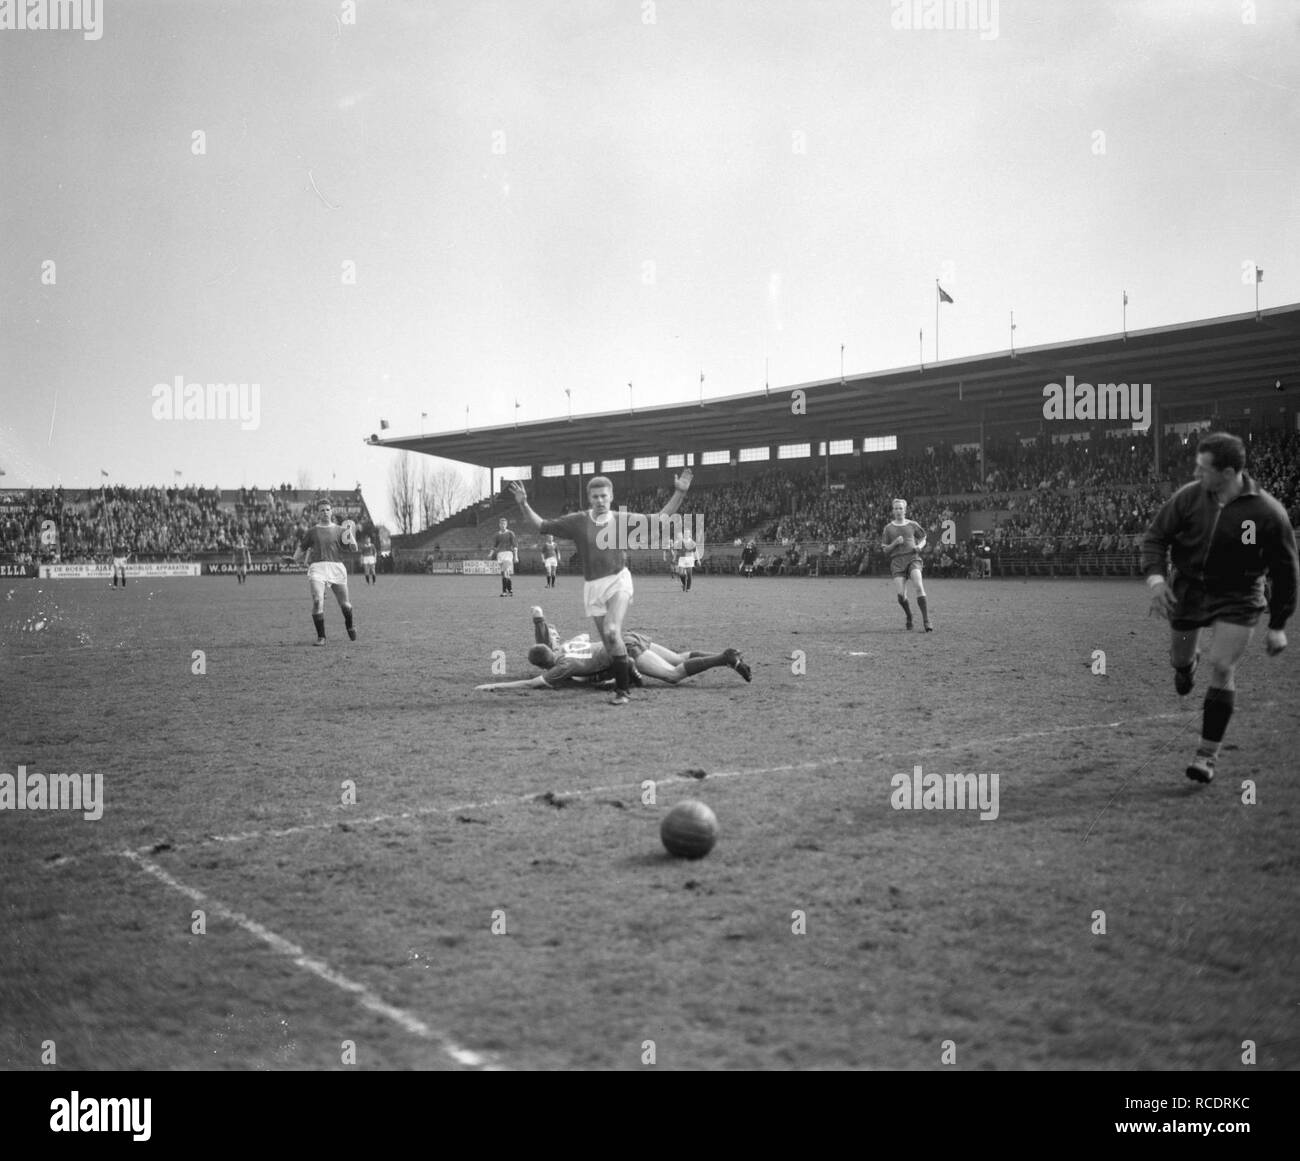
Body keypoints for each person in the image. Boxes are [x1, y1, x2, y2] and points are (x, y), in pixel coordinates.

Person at [1141, 431, 1296, 783]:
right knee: (1181, 659)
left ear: (1228, 473)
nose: (1196, 475)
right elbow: (1156, 537)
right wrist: (1157, 580)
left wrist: (1278, 624)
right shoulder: (1188, 498)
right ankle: (1185, 667)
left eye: (1203, 469)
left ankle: (1206, 755)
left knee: (1223, 665)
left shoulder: (1267, 512)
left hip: (1239, 594)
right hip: (1189, 590)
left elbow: (1286, 569)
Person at [507, 469, 693, 704]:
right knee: (609, 645)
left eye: (604, 496)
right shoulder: (577, 521)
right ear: (589, 499)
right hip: (593, 587)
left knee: (613, 631)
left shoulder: (622, 519)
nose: (600, 501)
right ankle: (627, 675)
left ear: (611, 496)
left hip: (619, 580)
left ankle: (622, 692)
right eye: (595, 497)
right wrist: (523, 503)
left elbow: (661, 518)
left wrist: (679, 493)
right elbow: (541, 525)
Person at [475, 605, 751, 690]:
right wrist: (539, 619)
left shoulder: (561, 665)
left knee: (673, 675)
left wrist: (493, 686)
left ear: (544, 664)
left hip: (625, 650)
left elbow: (530, 683)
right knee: (679, 656)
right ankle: (730, 660)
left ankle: (723, 657)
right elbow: (547, 644)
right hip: (629, 635)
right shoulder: (567, 648)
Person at [294, 498, 358, 645]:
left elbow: (353, 549)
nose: (325, 512)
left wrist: (351, 536)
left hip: (336, 568)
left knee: (345, 605)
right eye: (322, 510)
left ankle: (349, 624)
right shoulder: (312, 531)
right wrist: (293, 559)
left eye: (327, 509)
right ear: (318, 513)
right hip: (317, 568)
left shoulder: (341, 530)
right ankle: (321, 637)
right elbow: (302, 548)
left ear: (331, 511)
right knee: (317, 600)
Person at [882, 498, 933, 631]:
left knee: (918, 585)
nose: (898, 510)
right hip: (897, 562)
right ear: (893, 511)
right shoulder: (888, 528)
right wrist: (895, 543)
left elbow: (923, 538)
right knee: (901, 595)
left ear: (905, 510)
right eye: (896, 508)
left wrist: (919, 546)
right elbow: (885, 550)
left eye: (901, 508)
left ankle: (926, 621)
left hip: (912, 558)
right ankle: (909, 616)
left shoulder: (912, 524)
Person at [490, 517, 518, 597]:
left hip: (508, 554)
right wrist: (491, 553)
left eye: (504, 524)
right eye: (501, 524)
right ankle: (510, 590)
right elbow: (494, 545)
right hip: (500, 555)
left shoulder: (510, 533)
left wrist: (516, 556)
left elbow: (515, 545)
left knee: (505, 571)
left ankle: (504, 591)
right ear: (499, 525)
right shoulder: (496, 535)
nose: (503, 525)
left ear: (506, 525)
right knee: (505, 574)